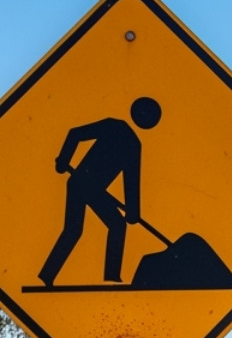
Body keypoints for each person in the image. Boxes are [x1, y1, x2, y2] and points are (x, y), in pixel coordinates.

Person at [37, 97, 161, 287]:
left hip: (93, 189)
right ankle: (47, 275)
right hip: (80, 183)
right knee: (75, 230)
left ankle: (110, 276)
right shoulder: (114, 127)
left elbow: (130, 179)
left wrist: (133, 211)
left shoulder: (133, 144)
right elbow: (75, 134)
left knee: (115, 225)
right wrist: (64, 159)